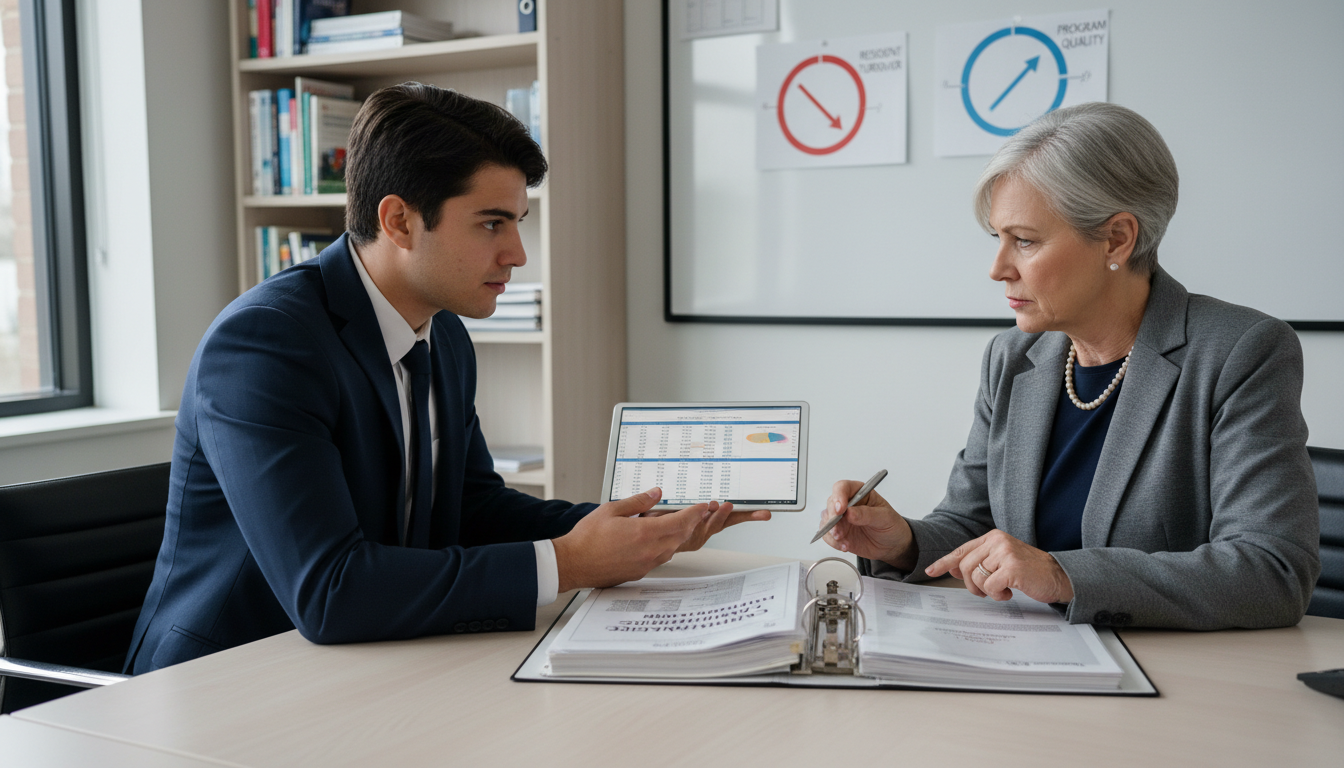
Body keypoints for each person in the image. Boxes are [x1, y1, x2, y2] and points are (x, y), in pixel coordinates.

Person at [126, 83, 767, 673]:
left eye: (519, 221)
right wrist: (571, 562)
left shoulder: (445, 332)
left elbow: (474, 509)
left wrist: (634, 528)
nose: (516, 253)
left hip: (366, 664)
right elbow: (330, 591)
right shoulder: (266, 344)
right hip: (227, 677)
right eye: (492, 222)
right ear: (400, 220)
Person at [820, 102, 1319, 631]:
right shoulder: (1012, 358)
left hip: (1174, 681)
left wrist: (1063, 575)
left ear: (1117, 239)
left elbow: (1273, 570)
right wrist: (904, 542)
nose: (996, 269)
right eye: (998, 238)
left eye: (1026, 241)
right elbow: (973, 524)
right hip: (1025, 659)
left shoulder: (1240, 352)